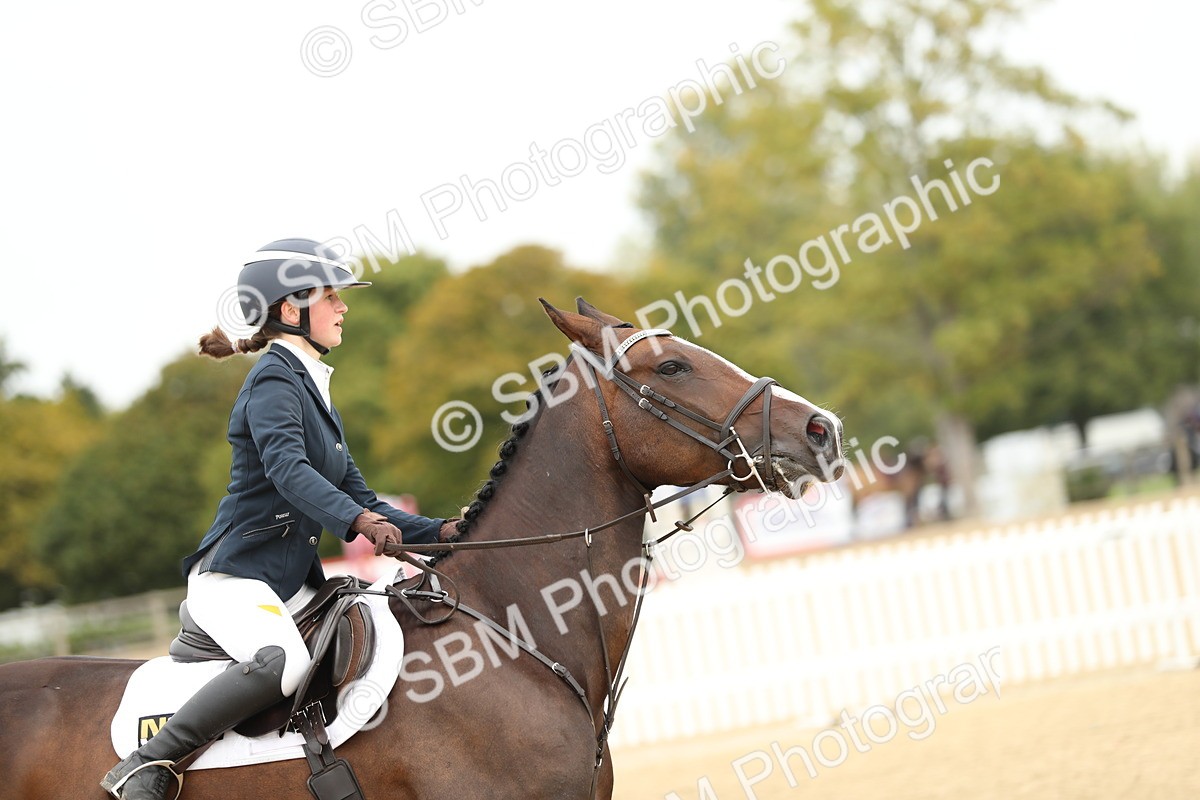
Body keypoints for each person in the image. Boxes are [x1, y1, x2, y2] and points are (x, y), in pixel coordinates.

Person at [101, 238, 455, 800]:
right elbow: (288, 471)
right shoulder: (273, 380)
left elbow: (361, 495)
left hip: (287, 583)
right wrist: (359, 524)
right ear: (292, 311)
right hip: (236, 577)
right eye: (331, 297)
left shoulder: (314, 391)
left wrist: (442, 532)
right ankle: (148, 765)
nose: (343, 307)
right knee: (284, 662)